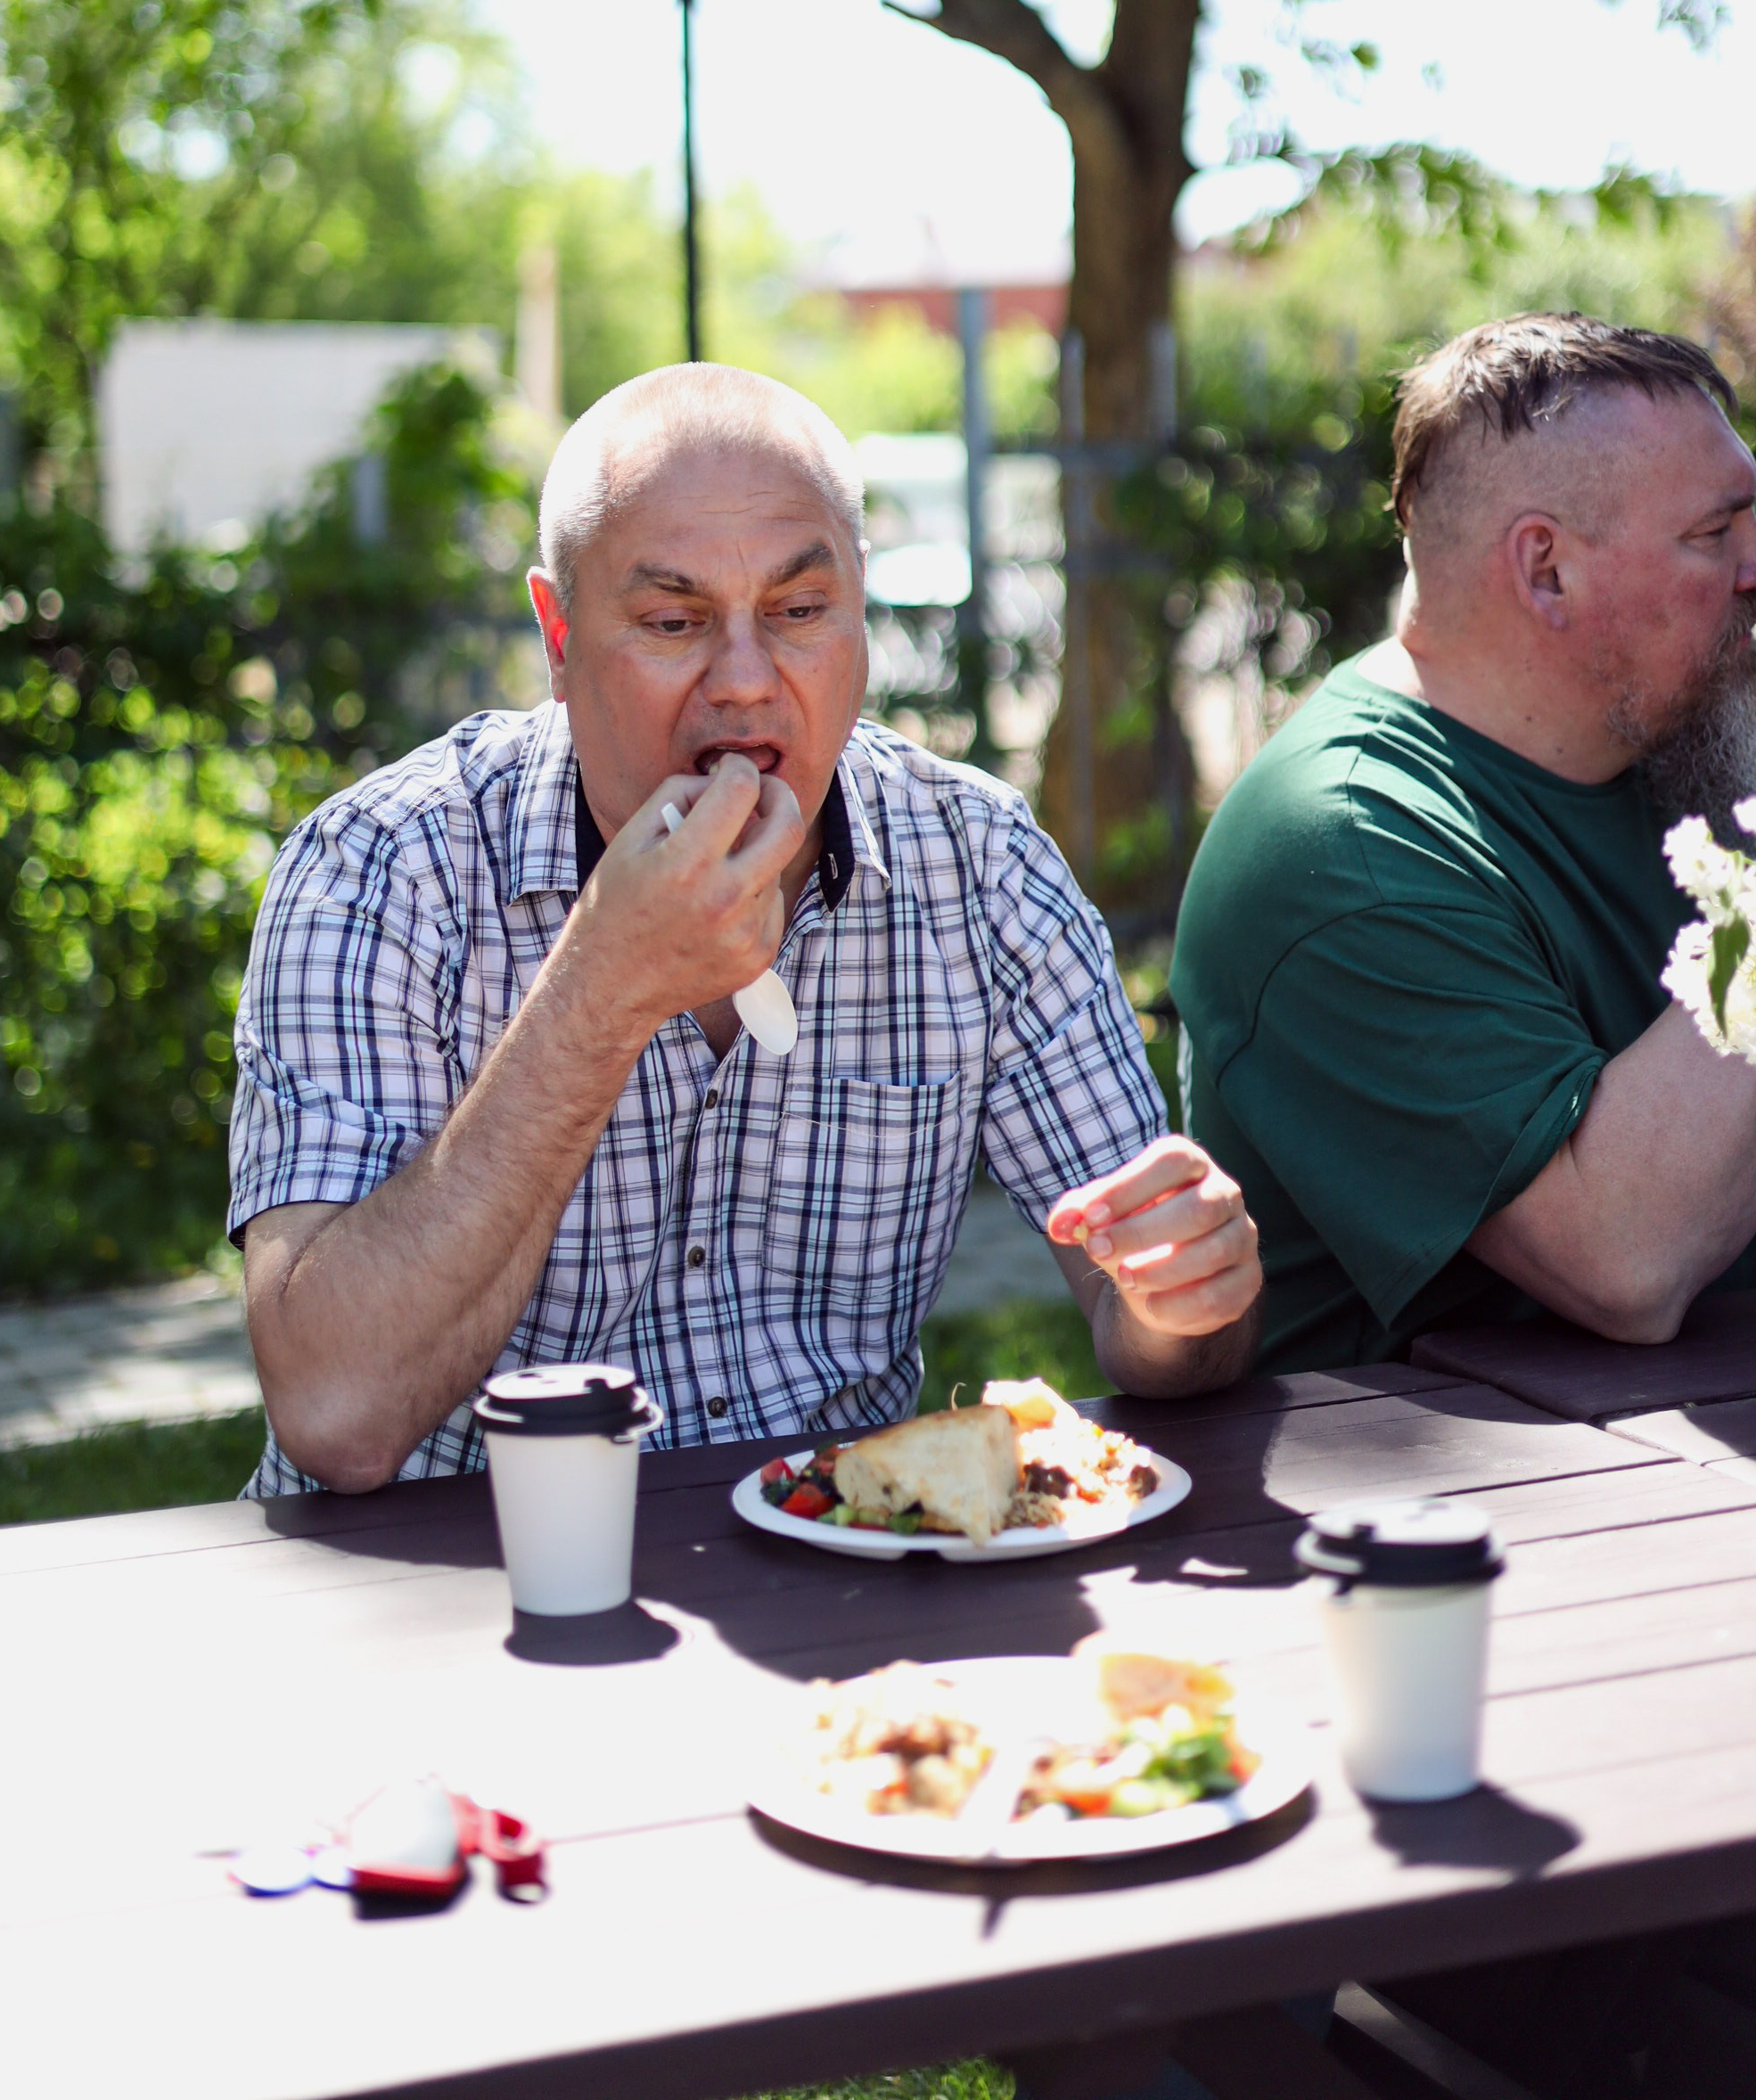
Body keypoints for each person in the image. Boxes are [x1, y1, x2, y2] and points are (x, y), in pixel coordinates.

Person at [232, 363, 1263, 1492]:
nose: (742, 682)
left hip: (844, 1572)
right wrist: (603, 987)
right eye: (672, 621)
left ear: (860, 608)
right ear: (560, 636)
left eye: (798, 612)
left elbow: (1156, 1319)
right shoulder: (380, 873)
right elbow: (334, 1415)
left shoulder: (976, 865)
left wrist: (1183, 1300)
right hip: (459, 1589)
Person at [1173, 314, 1756, 1374]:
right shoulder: (1344, 846)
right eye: (1714, 534)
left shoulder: (1685, 733)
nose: (1752, 564)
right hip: (1480, 1516)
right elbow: (1622, 1262)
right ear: (1545, 572)